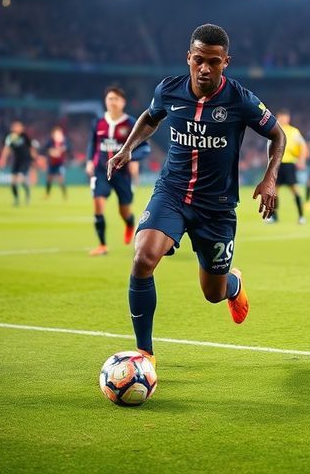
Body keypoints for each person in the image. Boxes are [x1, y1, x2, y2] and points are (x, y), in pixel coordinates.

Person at [107, 24, 285, 367]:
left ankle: (233, 284)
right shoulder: (169, 90)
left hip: (216, 207)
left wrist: (270, 178)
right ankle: (145, 353)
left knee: (213, 293)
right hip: (171, 192)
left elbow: (278, 135)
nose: (205, 68)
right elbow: (150, 117)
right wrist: (127, 147)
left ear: (225, 62)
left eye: (214, 62)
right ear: (188, 57)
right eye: (199, 60)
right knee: (143, 257)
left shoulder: (240, 99)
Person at [86, 86, 146, 256]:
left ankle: (129, 223)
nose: (113, 102)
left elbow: (144, 148)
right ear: (105, 101)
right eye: (110, 98)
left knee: (124, 211)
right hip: (101, 171)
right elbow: (92, 143)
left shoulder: (131, 123)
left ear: (123, 102)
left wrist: (133, 158)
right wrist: (89, 161)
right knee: (98, 203)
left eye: (116, 99)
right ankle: (102, 245)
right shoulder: (98, 122)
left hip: (122, 173)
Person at [267, 109, 307, 224]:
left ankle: (301, 216)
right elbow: (269, 147)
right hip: (277, 164)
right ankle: (274, 217)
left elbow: (303, 146)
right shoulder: (274, 130)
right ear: (278, 117)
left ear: (288, 118)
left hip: (289, 164)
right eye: (282, 117)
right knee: (274, 191)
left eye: (285, 117)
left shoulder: (294, 132)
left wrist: (301, 160)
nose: (284, 119)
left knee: (295, 190)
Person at [0, 120, 38, 206]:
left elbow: (31, 148)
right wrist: (3, 159)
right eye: (15, 127)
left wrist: (35, 159)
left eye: (18, 126)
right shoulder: (10, 138)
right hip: (17, 161)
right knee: (13, 182)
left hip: (26, 160)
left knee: (20, 178)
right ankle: (16, 199)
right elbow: (6, 149)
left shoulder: (25, 136)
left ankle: (27, 195)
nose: (17, 128)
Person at [44, 126, 69, 199]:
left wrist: (60, 150)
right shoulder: (50, 141)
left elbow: (66, 148)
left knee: (61, 179)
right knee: (49, 178)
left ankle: (65, 194)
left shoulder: (64, 141)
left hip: (60, 163)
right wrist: (52, 152)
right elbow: (47, 149)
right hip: (51, 163)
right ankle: (47, 194)